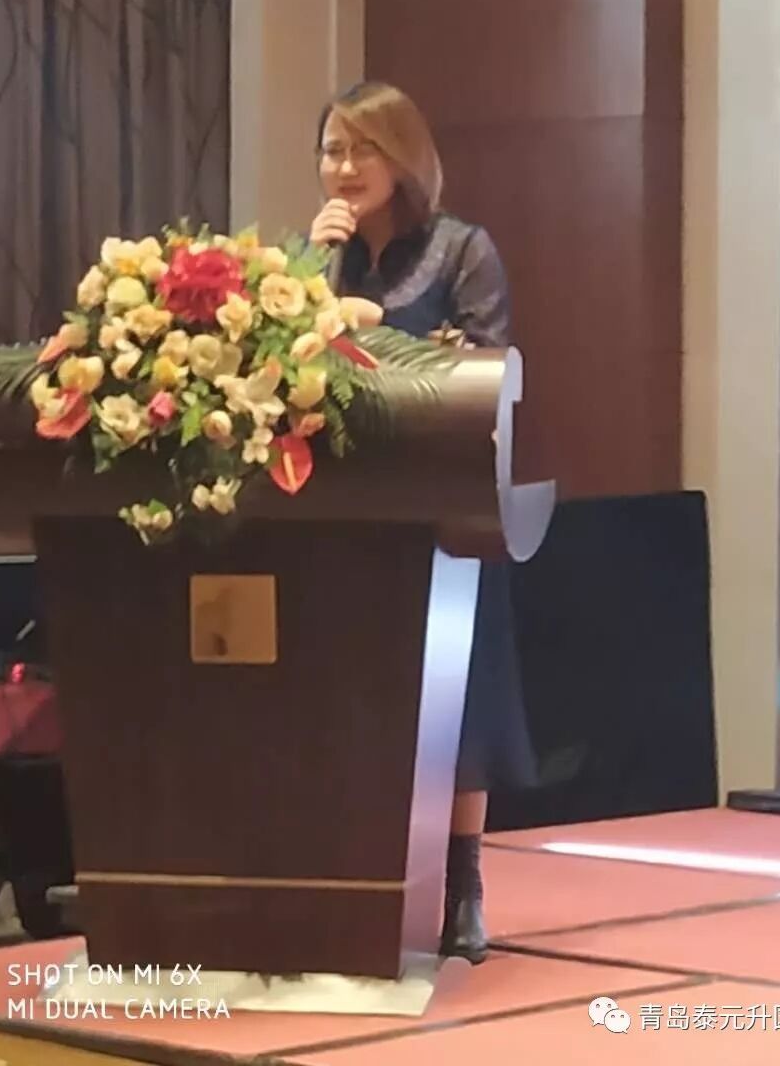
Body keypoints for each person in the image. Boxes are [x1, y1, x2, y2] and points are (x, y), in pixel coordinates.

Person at [309, 80, 536, 963]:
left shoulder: (461, 250)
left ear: (404, 157)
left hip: (445, 511)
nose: (345, 167)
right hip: (344, 516)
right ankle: (354, 881)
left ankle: (464, 887)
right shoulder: (317, 258)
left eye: (363, 148)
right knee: (356, 702)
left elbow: (486, 371)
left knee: (462, 702)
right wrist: (308, 275)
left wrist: (377, 329)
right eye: (332, 150)